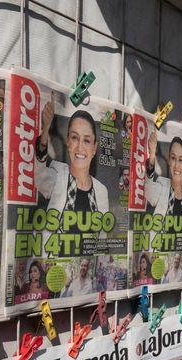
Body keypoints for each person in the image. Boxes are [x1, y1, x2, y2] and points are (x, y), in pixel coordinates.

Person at [35, 94, 109, 251]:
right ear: (68, 141)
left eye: (87, 140)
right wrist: (45, 131)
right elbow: (37, 174)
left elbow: (101, 239)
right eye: (75, 138)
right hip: (53, 269)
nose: (80, 147)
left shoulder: (101, 191)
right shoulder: (57, 175)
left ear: (94, 148)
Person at [145, 134, 182, 219]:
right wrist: (152, 154)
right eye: (173, 158)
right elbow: (148, 191)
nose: (176, 165)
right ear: (169, 161)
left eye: (181, 160)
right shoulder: (161, 185)